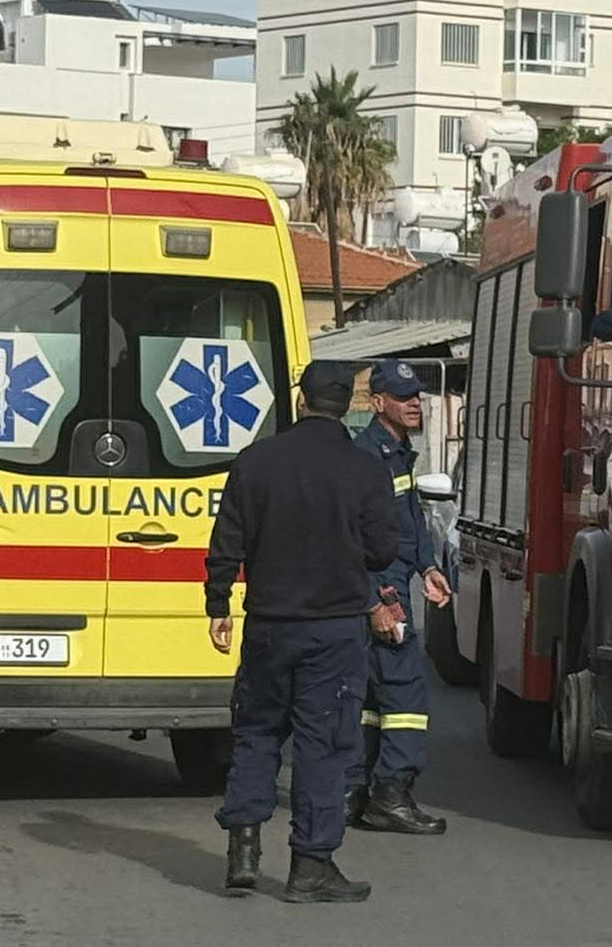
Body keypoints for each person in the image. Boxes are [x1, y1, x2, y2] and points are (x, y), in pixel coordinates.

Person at [205, 360, 402, 903]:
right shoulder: (364, 469)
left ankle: (242, 852)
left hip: (269, 625)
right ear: (348, 404)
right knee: (323, 745)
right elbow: (383, 549)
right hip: (333, 631)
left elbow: (228, 537)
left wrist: (218, 601)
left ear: (301, 401)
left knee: (257, 733)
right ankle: (310, 867)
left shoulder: (257, 461)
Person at [345, 359, 453, 836]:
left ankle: (356, 791)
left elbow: (409, 521)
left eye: (417, 396)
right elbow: (356, 539)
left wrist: (427, 566)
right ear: (377, 402)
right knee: (405, 692)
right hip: (381, 587)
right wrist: (378, 598)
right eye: (403, 396)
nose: (415, 404)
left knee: (371, 696)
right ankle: (392, 794)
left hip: (396, 580)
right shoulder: (367, 457)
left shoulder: (399, 451)